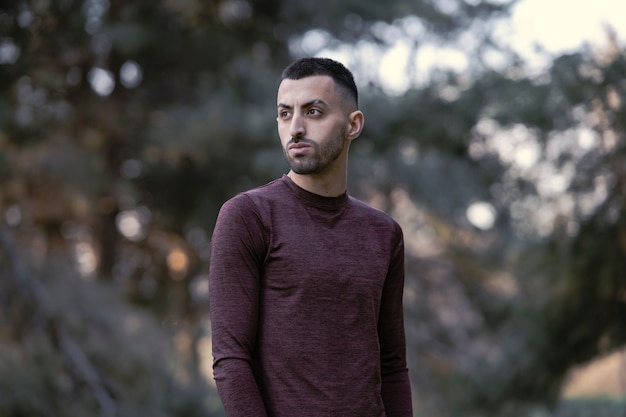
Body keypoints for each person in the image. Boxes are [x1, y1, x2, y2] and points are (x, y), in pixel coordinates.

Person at [209, 57, 413, 417]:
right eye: (285, 114)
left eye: (314, 112)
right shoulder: (249, 216)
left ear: (353, 124)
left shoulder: (384, 234)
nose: (296, 128)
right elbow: (230, 359)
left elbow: (393, 367)